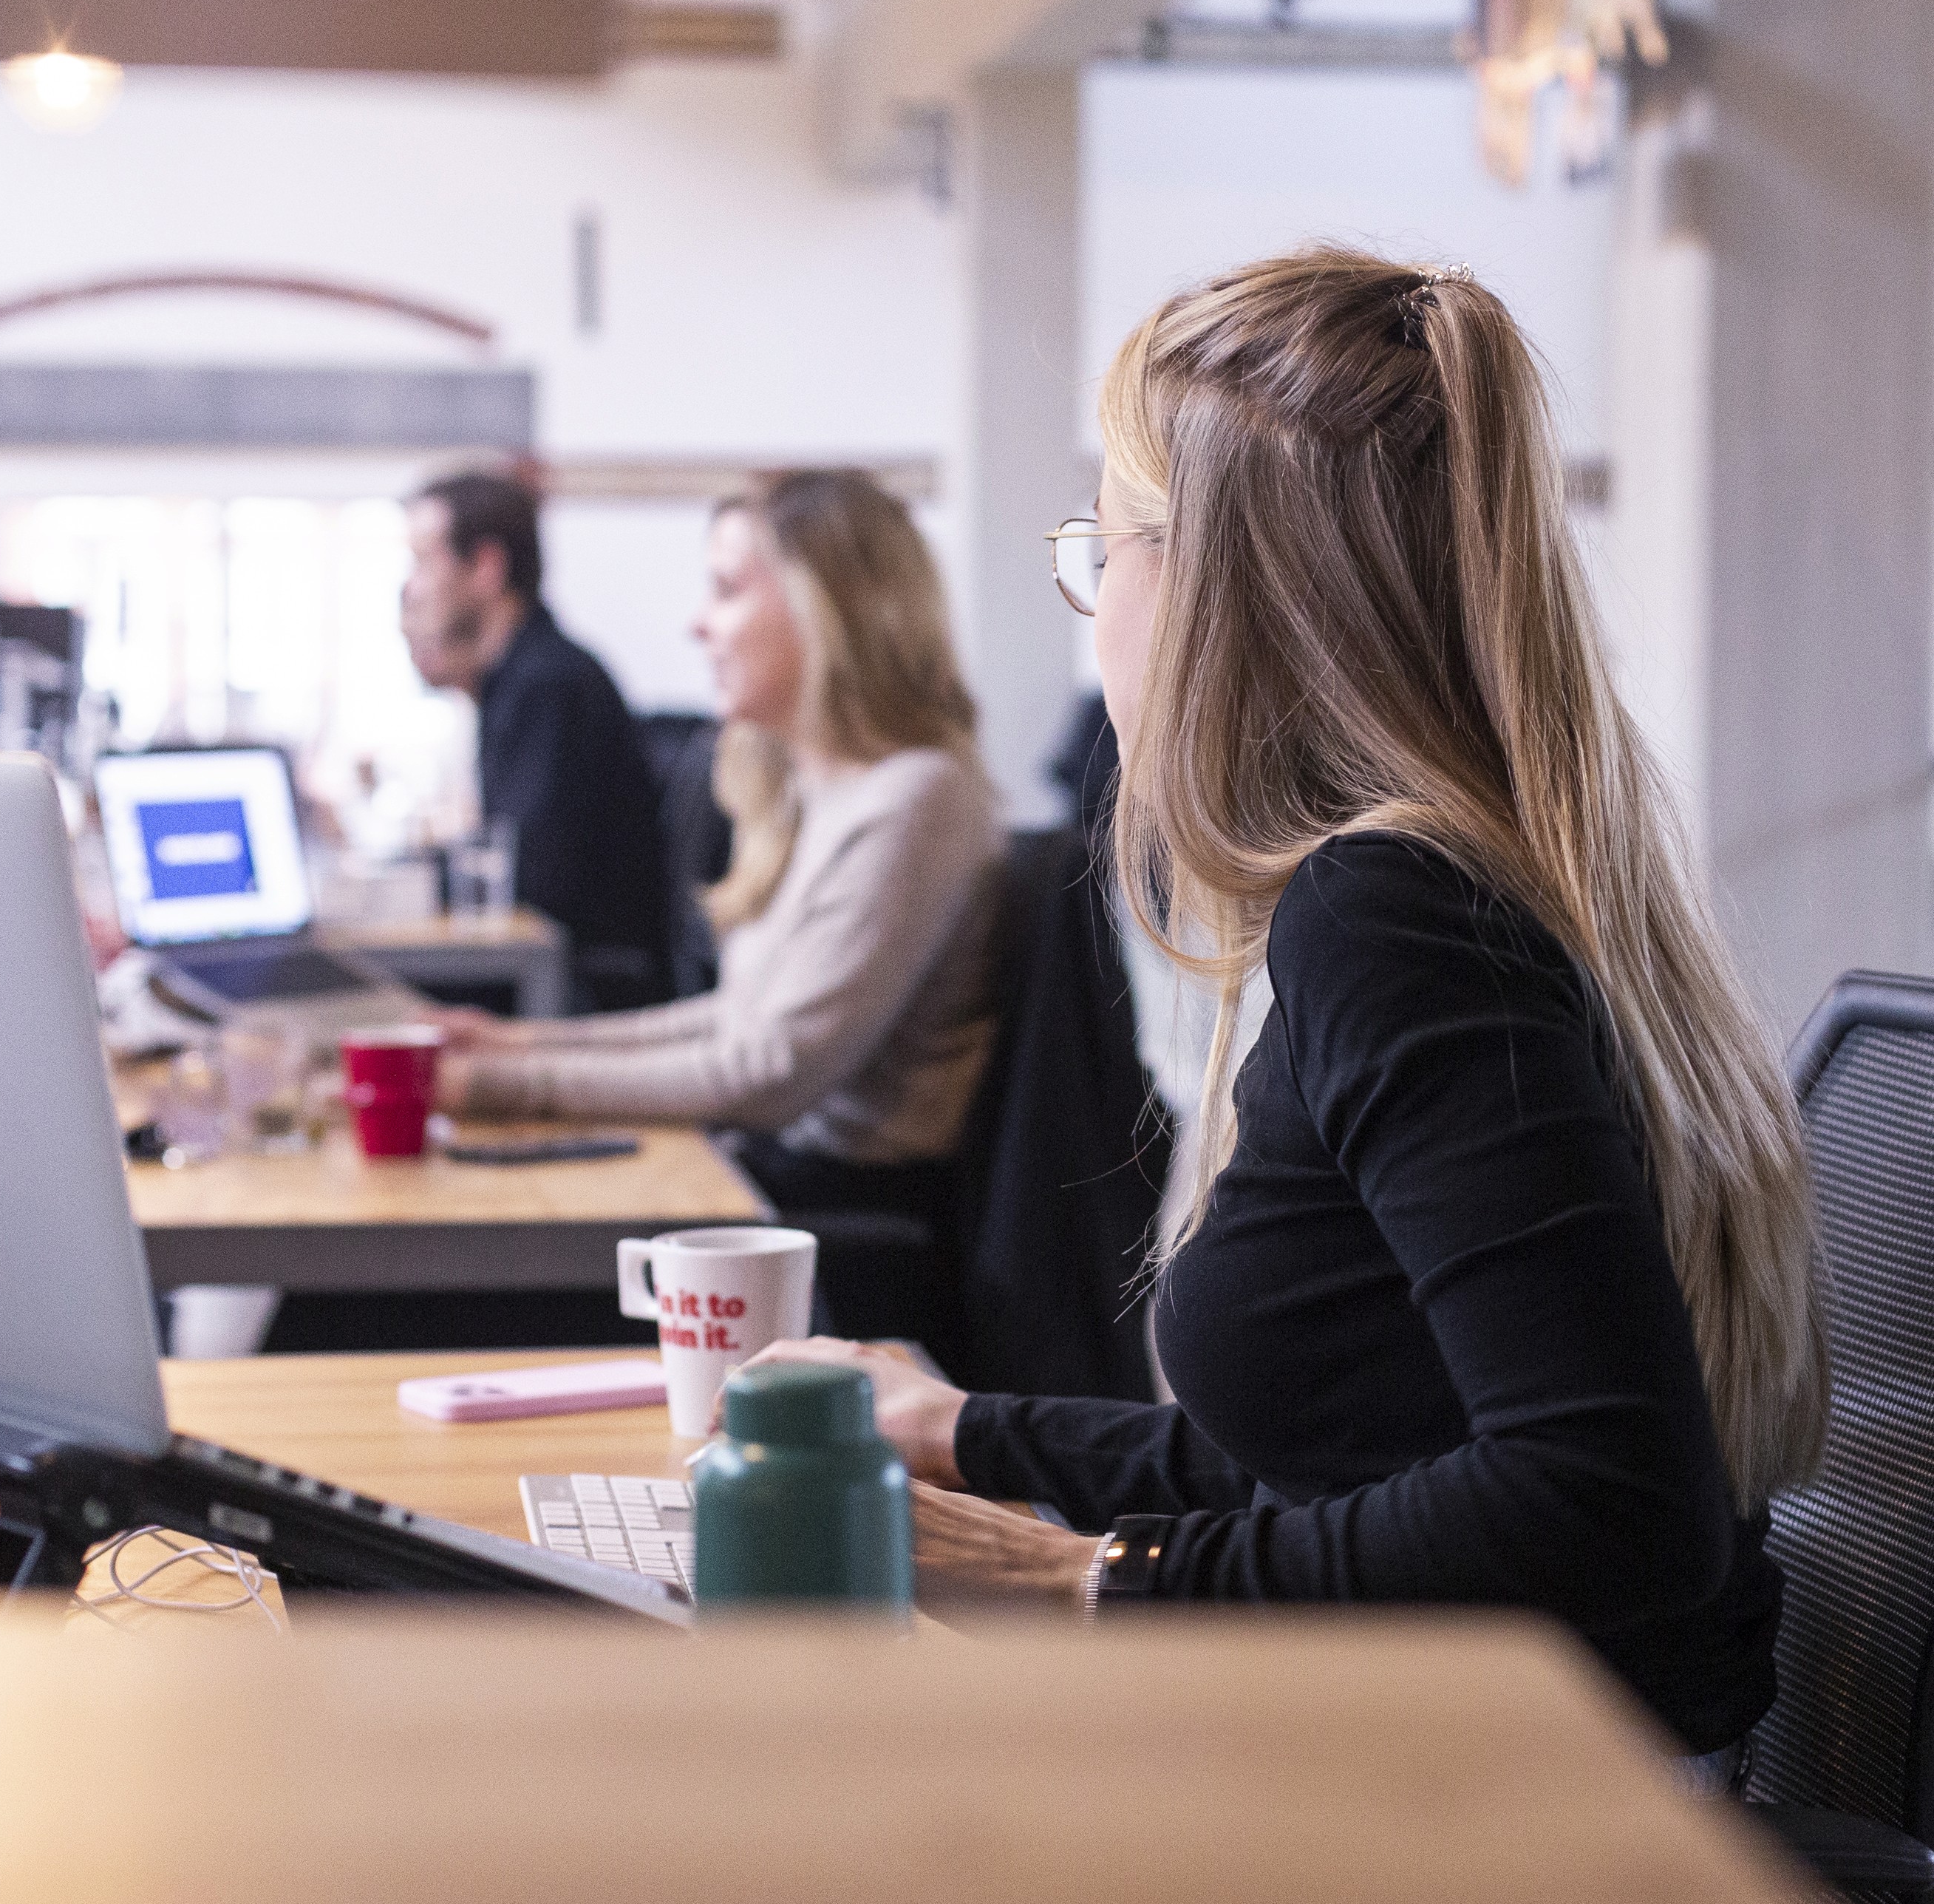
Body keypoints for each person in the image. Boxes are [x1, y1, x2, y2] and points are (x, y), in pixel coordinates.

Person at [752, 251, 1828, 1769]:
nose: (1095, 610)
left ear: (1210, 589)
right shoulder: (1483, 875)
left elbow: (1607, 1498)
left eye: (1101, 547)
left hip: (1491, 1813)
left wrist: (1075, 1581)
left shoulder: (1392, 915)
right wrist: (965, 1431)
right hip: (1476, 1759)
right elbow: (1354, 1455)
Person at [438, 468, 1003, 1353]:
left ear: (828, 609)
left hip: (835, 1246)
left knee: (397, 1306)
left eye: (728, 589)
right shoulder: (819, 793)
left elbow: (768, 1071)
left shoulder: (917, 798)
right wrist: (516, 1045)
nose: (698, 624)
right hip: (773, 1201)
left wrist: (494, 1085)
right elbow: (739, 1020)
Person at [401, 471, 672, 1011]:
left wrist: (400, 883)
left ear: (486, 567)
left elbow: (525, 879)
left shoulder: (547, 685)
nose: (413, 588)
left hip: (580, 990)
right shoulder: (521, 679)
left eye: (425, 561)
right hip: (563, 974)